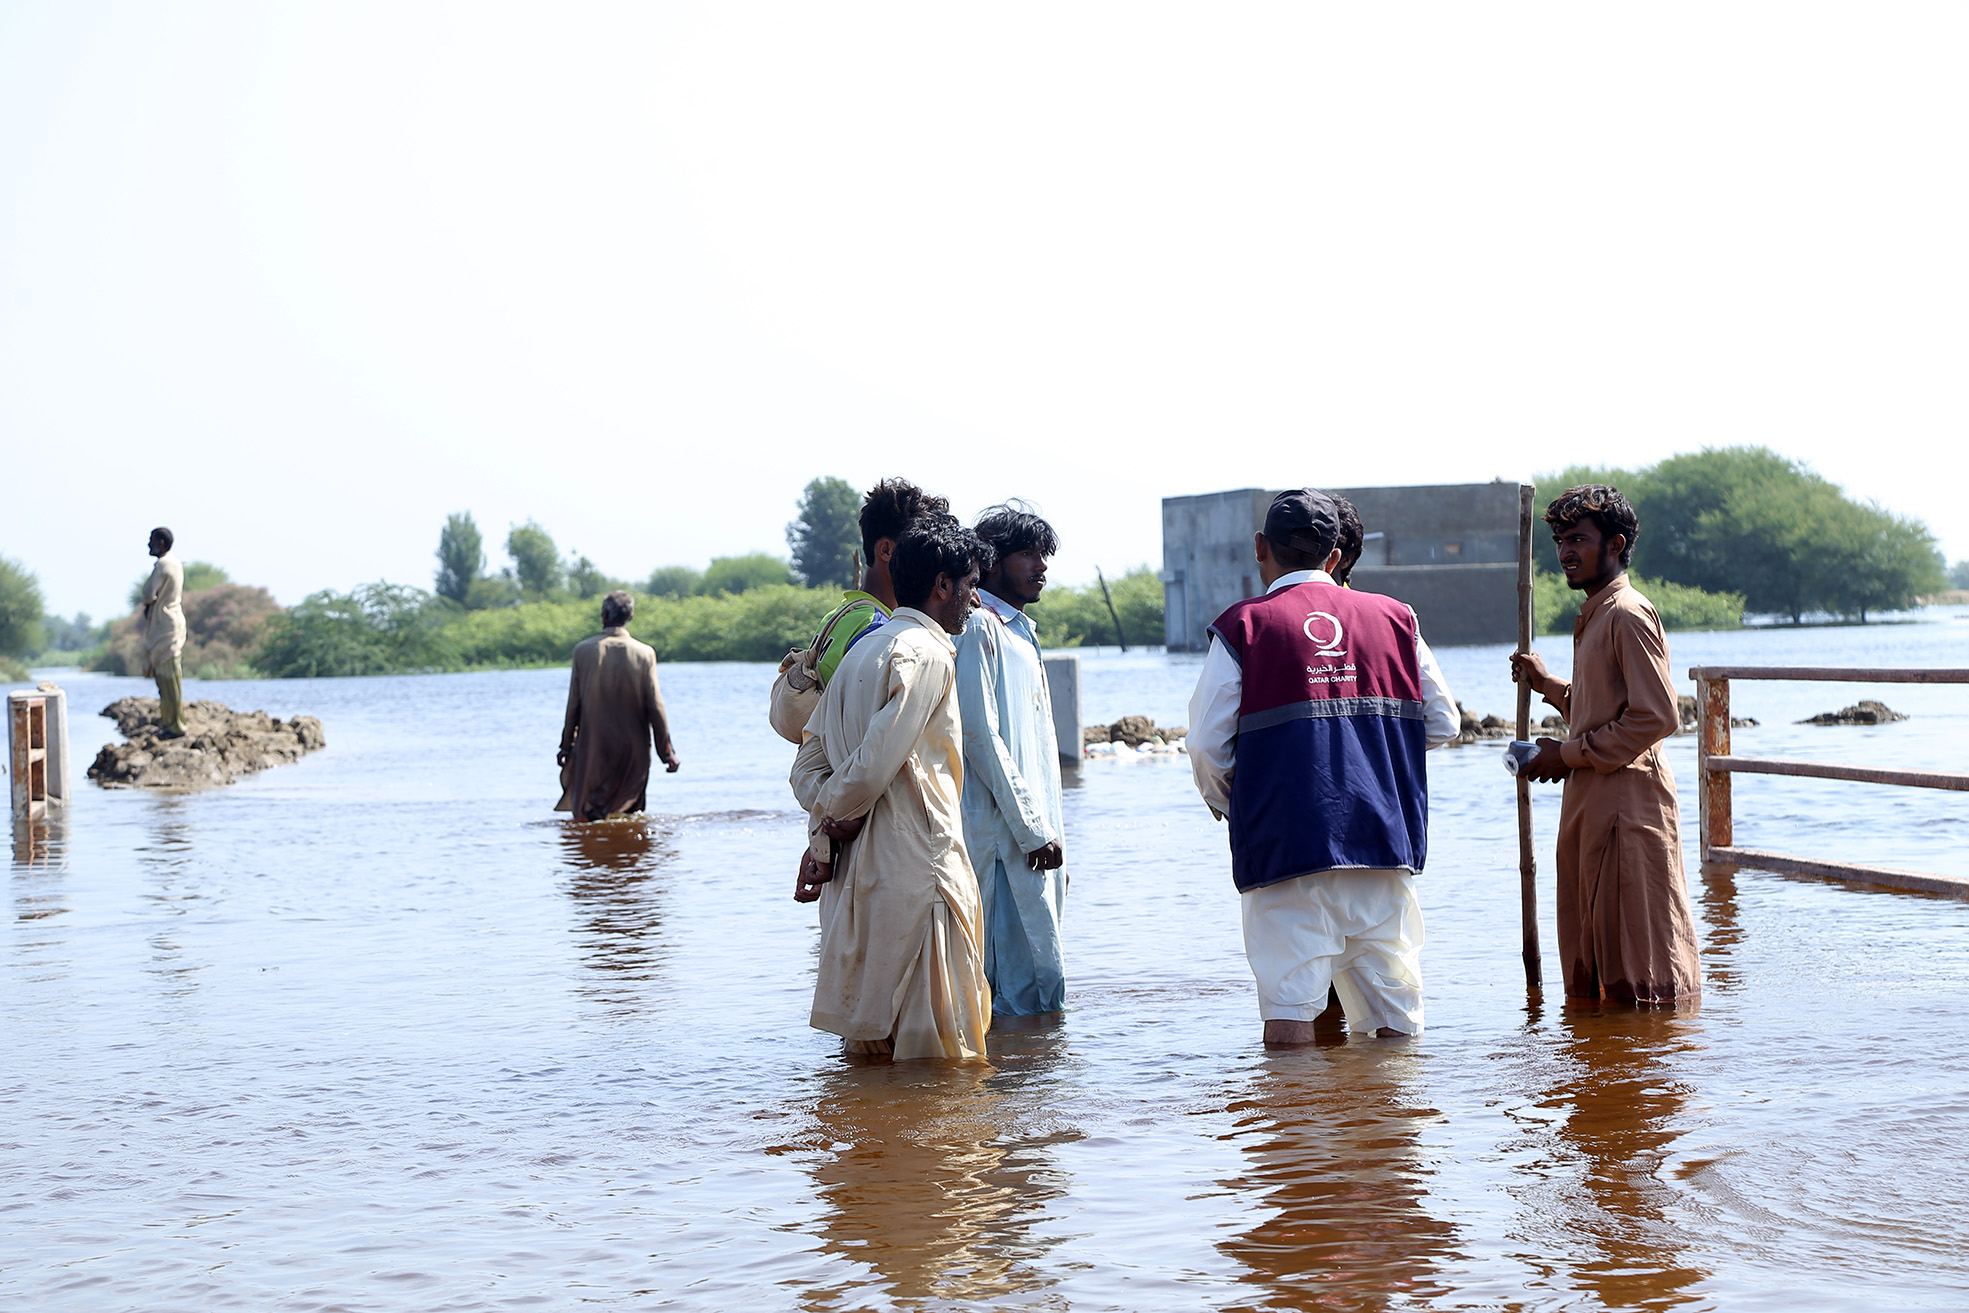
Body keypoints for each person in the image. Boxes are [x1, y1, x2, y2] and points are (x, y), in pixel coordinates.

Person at [1188, 490, 1461, 1044]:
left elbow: (1206, 747)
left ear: (1260, 548)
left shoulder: (1244, 628)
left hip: (1284, 850)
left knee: (1290, 1014)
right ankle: (1397, 1125)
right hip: (1382, 845)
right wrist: (1374, 760)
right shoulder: (1396, 619)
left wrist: (1233, 802)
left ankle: (1298, 1126)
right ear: (1335, 557)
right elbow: (1444, 722)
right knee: (1395, 1018)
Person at [789, 518, 994, 1060]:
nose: (975, 600)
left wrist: (825, 830)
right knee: (940, 1065)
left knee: (872, 1056)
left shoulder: (860, 651)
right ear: (943, 585)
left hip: (859, 879)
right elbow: (878, 760)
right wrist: (835, 815)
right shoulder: (926, 653)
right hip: (918, 876)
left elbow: (806, 765)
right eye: (971, 585)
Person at [1509, 485, 1701, 1004]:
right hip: (1593, 802)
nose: (1565, 552)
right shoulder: (1597, 614)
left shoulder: (1627, 614)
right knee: (1593, 951)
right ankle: (1604, 1069)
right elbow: (1607, 707)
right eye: (1559, 541)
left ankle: (1641, 1073)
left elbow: (1657, 717)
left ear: (1614, 545)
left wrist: (1564, 755)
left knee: (1637, 961)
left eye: (1578, 539)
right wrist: (1549, 687)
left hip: (1626, 806)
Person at [954, 502, 1067, 1019]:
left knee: (1043, 979)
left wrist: (1046, 828)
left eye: (1042, 555)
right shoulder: (979, 627)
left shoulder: (1022, 631)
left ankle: (1039, 1093)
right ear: (992, 561)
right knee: (1007, 989)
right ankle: (1000, 1096)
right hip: (1003, 838)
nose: (1040, 566)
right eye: (1027, 554)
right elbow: (980, 736)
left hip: (1035, 835)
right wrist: (1029, 827)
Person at [788, 478, 954, 694]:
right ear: (886, 550)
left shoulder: (839, 614)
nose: (932, 563)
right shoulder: (878, 629)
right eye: (922, 549)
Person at [555, 590, 680, 821]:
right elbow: (656, 706)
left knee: (588, 818)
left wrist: (566, 745)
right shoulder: (644, 653)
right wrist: (667, 752)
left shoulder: (584, 651)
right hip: (633, 751)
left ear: (604, 615)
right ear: (630, 617)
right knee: (630, 816)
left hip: (593, 749)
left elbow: (574, 705)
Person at [139, 526, 188, 738]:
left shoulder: (163, 564)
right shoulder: (176, 563)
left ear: (161, 543)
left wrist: (149, 603)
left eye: (151, 540)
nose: (148, 544)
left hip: (164, 625)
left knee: (168, 678)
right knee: (171, 677)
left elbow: (149, 594)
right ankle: (171, 722)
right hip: (173, 623)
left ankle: (175, 725)